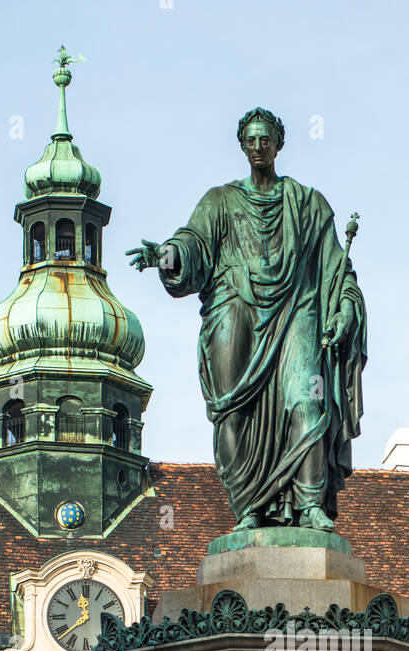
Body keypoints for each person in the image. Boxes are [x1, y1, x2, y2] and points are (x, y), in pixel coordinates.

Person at [127, 106, 366, 532]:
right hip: (234, 310)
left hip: (298, 313)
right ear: (242, 145)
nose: (258, 147)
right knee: (232, 412)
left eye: (265, 139)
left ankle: (310, 504)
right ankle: (249, 506)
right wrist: (168, 255)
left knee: (307, 402)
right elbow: (193, 243)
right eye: (251, 140)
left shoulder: (308, 204)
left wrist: (345, 307)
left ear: (279, 143)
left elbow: (338, 271)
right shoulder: (219, 201)